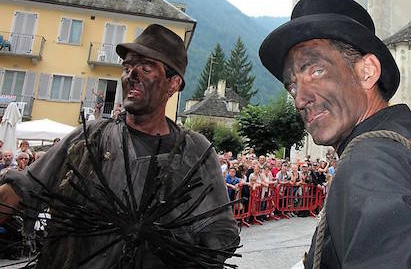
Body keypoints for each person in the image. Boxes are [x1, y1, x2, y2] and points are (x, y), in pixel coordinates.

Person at [0, 24, 239, 267]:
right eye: (127, 67)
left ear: (173, 83)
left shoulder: (195, 151)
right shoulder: (91, 137)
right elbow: (23, 189)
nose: (130, 74)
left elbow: (220, 232)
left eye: (145, 67)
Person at [259, 0, 411, 268]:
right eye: (293, 85)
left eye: (317, 71)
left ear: (367, 71)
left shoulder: (371, 164)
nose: (300, 99)